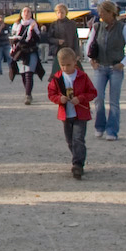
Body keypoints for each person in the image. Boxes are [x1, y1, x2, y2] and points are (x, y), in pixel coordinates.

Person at [47, 49, 97, 179]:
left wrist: (80, 98)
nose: (65, 68)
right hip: (66, 114)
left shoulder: (83, 76)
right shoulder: (57, 78)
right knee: (70, 141)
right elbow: (51, 94)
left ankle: (78, 164)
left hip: (81, 114)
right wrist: (59, 99)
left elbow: (92, 93)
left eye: (68, 65)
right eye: (62, 65)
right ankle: (77, 157)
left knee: (78, 139)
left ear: (75, 62)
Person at [85, 0, 126, 141]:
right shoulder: (97, 27)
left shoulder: (122, 27)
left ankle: (112, 130)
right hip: (100, 67)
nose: (100, 15)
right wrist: (91, 60)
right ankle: (99, 126)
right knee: (98, 98)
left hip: (115, 67)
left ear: (111, 12)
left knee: (114, 101)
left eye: (102, 12)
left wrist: (123, 63)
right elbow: (88, 45)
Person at [9, 7, 44, 104]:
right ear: (21, 13)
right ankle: (28, 92)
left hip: (31, 50)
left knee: (29, 73)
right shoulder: (16, 25)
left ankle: (28, 95)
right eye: (24, 11)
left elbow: (38, 39)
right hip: (20, 52)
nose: (26, 13)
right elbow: (13, 39)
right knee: (23, 74)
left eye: (28, 11)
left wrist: (32, 31)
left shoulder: (34, 25)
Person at [46, 3, 80, 75]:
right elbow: (49, 38)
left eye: (62, 12)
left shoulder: (72, 24)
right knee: (57, 74)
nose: (60, 14)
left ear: (66, 13)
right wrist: (57, 41)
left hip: (71, 51)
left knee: (74, 72)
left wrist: (77, 53)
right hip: (58, 52)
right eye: (58, 12)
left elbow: (75, 38)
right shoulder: (54, 25)